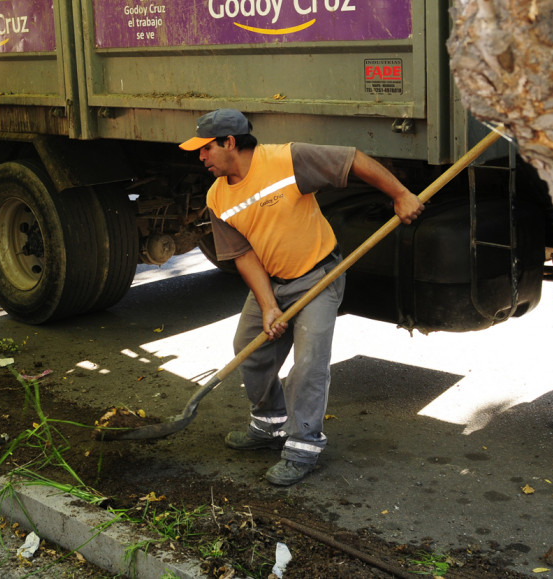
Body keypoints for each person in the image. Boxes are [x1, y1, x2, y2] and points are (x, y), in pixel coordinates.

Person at [180, 109, 424, 486]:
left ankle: (302, 447)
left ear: (230, 142)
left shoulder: (285, 160)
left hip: (318, 275)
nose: (201, 157)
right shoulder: (217, 197)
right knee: (250, 347)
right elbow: (244, 255)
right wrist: (269, 306)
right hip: (274, 280)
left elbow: (351, 159)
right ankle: (269, 423)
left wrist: (401, 195)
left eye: (206, 148)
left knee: (309, 363)